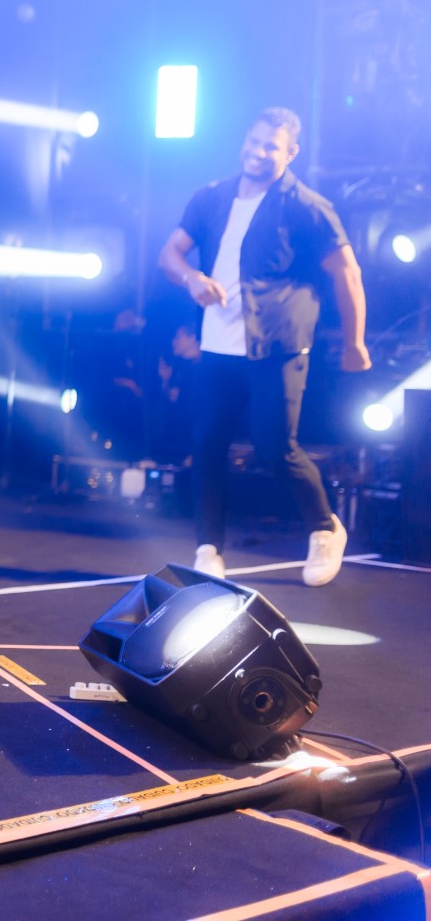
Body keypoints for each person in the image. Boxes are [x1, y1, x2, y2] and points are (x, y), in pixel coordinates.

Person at [157, 107, 369, 586]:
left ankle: (325, 529)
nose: (257, 152)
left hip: (278, 344)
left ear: (290, 153)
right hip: (217, 346)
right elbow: (169, 254)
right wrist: (192, 279)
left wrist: (355, 342)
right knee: (206, 447)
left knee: (275, 449)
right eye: (253, 142)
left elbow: (347, 273)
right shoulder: (211, 197)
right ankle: (208, 550)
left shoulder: (307, 206)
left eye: (270, 146)